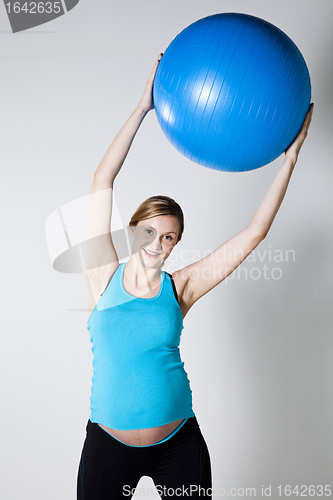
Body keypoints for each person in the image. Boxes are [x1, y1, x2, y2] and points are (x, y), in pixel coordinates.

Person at [77, 53, 314, 500]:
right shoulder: (101, 276)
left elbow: (255, 233)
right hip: (108, 445)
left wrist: (291, 158)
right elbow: (101, 180)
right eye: (150, 231)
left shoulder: (180, 287)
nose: (157, 244)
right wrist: (143, 108)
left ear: (176, 244)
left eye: (169, 238)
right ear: (133, 229)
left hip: (179, 446)